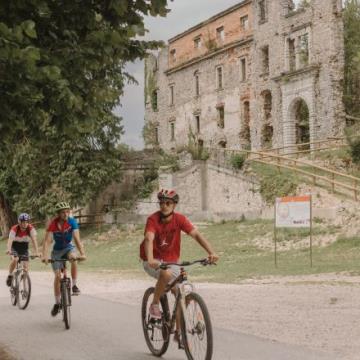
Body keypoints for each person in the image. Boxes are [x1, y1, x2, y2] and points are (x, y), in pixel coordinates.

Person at [139, 189, 219, 342]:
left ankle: (177, 331)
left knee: (185, 292)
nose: (164, 205)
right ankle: (154, 304)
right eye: (161, 202)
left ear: (174, 205)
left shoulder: (179, 219)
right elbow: (149, 238)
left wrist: (211, 253)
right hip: (151, 259)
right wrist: (150, 259)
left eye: (168, 202)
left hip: (171, 261)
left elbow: (196, 234)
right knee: (166, 274)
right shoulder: (153, 219)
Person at [42, 202, 86, 316]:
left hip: (68, 248)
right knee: (57, 276)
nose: (66, 214)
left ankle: (74, 285)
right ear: (58, 214)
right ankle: (57, 303)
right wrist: (45, 255)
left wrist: (82, 253)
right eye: (63, 212)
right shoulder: (53, 224)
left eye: (67, 211)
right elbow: (47, 241)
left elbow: (76, 238)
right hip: (56, 252)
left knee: (74, 258)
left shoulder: (72, 221)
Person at [6, 213, 40, 286]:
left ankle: (24, 285)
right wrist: (9, 250)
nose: (25, 224)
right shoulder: (14, 228)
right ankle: (10, 275)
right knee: (15, 259)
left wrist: (37, 252)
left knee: (26, 268)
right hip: (14, 247)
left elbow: (34, 241)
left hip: (24, 248)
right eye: (23, 222)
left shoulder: (30, 228)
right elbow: (10, 241)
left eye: (26, 222)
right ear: (19, 222)